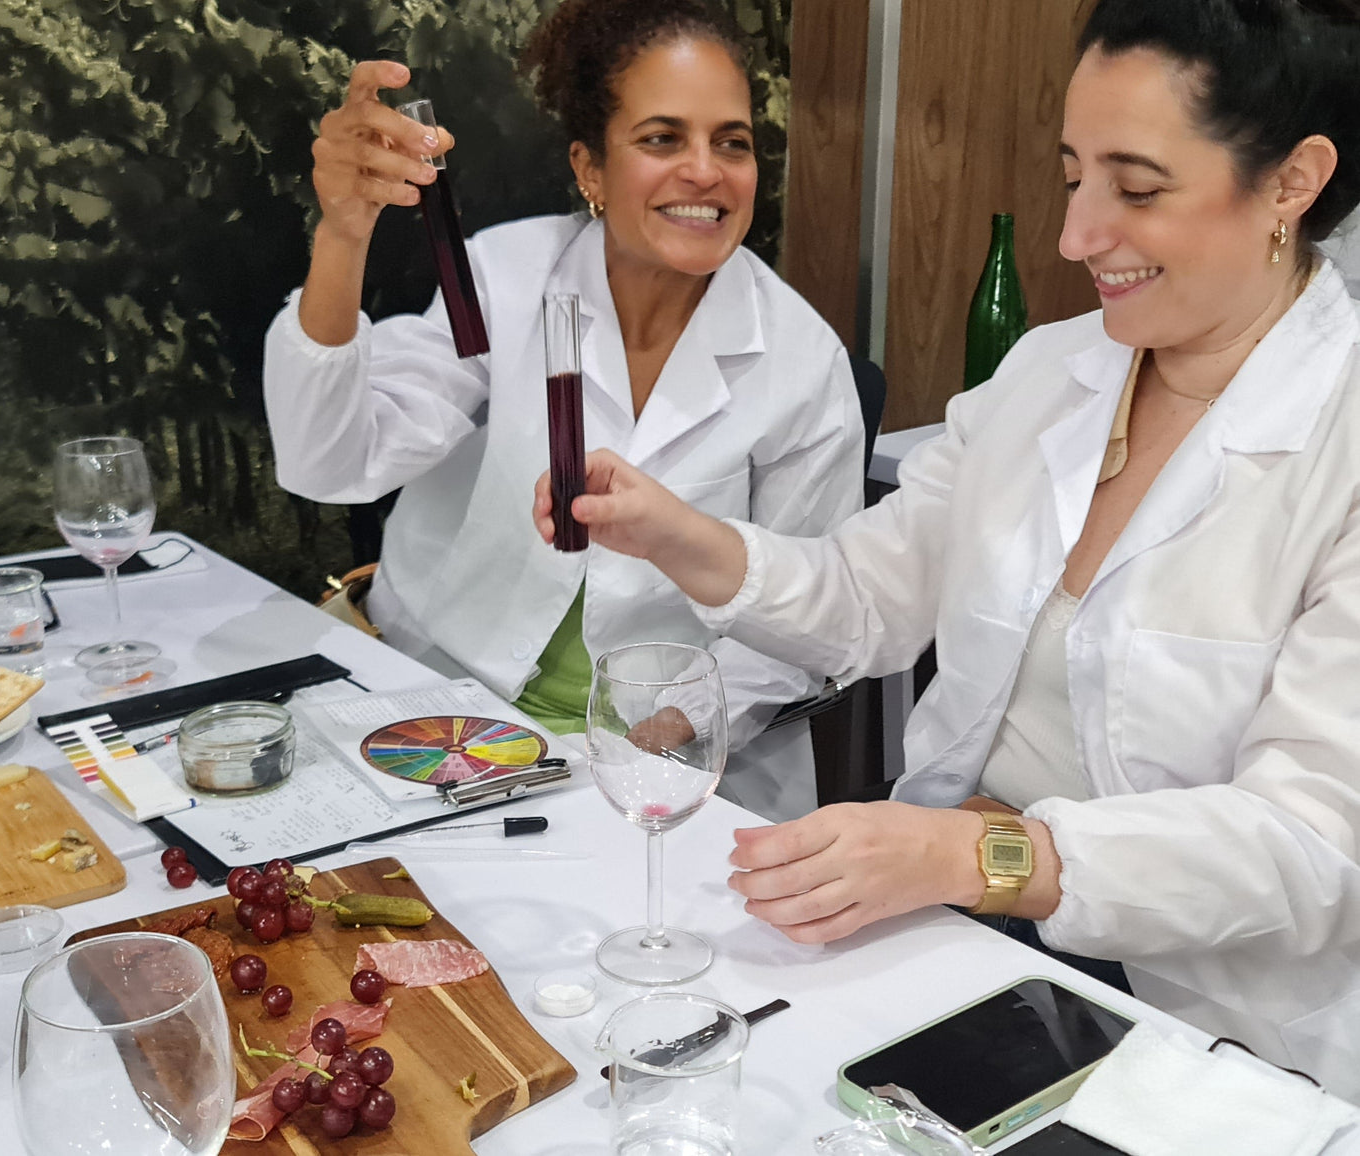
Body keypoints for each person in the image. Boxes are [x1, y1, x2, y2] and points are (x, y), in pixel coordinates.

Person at [535, 0, 1360, 1093]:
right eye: (1073, 178)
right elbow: (863, 597)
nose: (1074, 236)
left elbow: (1306, 845)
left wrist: (979, 855)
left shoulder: (1337, 441)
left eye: (1135, 188)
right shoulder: (1044, 375)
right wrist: (670, 531)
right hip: (965, 947)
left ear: (1291, 183)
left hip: (1207, 1014)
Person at [263, 0, 864, 821]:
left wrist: (653, 741)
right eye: (661, 139)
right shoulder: (504, 281)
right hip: (443, 715)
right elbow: (331, 461)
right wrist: (341, 233)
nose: (704, 170)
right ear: (590, 167)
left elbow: (807, 619)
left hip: (660, 761)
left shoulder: (800, 359)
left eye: (732, 141)